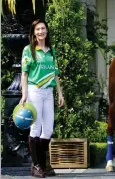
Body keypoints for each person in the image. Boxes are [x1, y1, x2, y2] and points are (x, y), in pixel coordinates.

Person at [20, 19, 65, 178]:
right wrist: (24, 94)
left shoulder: (50, 50)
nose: (41, 32)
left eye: (43, 28)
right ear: (33, 33)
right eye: (38, 29)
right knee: (35, 128)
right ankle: (37, 165)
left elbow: (56, 74)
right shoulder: (28, 50)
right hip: (34, 91)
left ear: (46, 31)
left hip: (48, 92)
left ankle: (42, 163)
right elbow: (24, 74)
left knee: (48, 130)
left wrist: (60, 93)